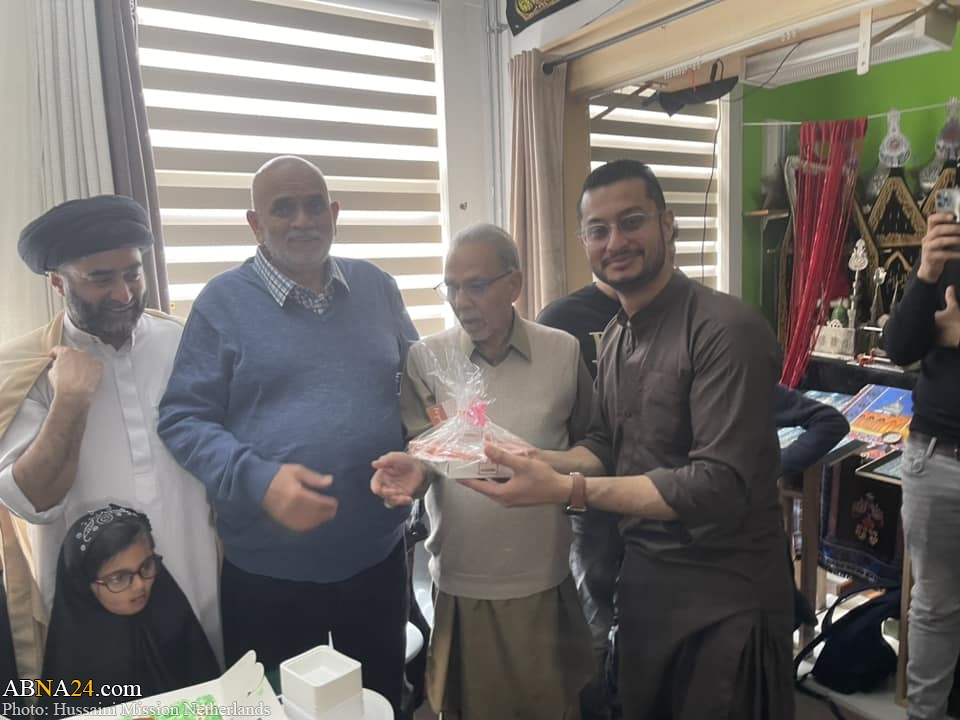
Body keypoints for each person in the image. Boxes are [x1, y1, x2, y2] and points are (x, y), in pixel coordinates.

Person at [456, 159, 796, 719]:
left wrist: (568, 490)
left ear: (667, 222)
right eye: (598, 230)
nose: (615, 242)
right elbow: (604, 446)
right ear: (584, 243)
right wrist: (536, 459)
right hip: (644, 588)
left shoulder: (725, 329)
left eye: (631, 221)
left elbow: (718, 484)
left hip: (725, 599)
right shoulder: (615, 336)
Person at [157, 156, 417, 715]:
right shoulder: (222, 304)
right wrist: (258, 479)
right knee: (274, 709)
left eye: (314, 205)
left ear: (334, 213)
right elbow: (181, 418)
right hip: (267, 575)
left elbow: (420, 393)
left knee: (378, 703)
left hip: (377, 560)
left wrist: (419, 456)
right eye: (283, 208)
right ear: (256, 224)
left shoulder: (377, 287)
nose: (303, 220)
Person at [372, 223, 595, 720]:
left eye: (475, 285)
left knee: (550, 705)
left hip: (542, 574)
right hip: (463, 575)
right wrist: (414, 473)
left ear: (514, 284)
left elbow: (595, 447)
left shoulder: (562, 351)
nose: (461, 302)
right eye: (451, 287)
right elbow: (427, 453)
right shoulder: (428, 359)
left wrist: (543, 464)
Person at [0, 195, 221, 679]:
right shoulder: (27, 368)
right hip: (92, 608)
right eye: (100, 279)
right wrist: (71, 399)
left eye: (132, 274)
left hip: (196, 583)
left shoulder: (183, 341)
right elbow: (32, 501)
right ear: (58, 281)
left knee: (206, 698)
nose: (123, 294)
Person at [883, 209, 960, 720]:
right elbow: (899, 347)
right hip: (937, 458)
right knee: (933, 606)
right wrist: (927, 272)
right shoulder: (947, 251)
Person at [41, 505, 219, 717]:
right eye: (118, 578)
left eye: (145, 566)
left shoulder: (171, 613)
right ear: (83, 585)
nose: (139, 586)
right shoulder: (75, 661)